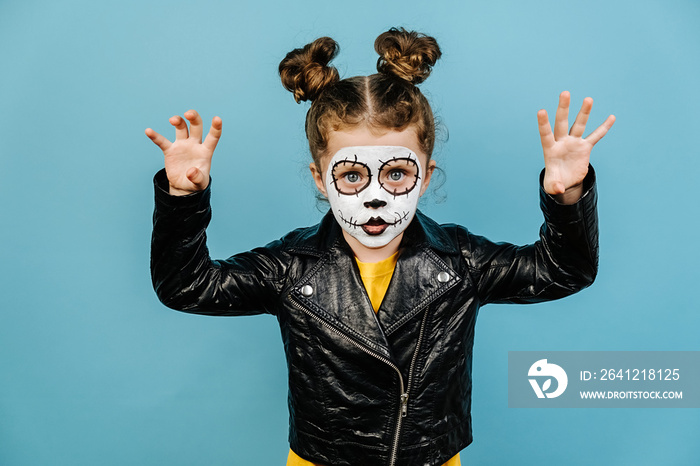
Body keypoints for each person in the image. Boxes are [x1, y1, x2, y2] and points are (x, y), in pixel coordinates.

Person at [145, 27, 614, 466]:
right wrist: (184, 200)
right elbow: (186, 286)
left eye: (396, 173)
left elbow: (564, 270)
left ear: (425, 177)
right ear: (321, 179)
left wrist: (567, 197)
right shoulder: (289, 268)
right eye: (352, 175)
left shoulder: (461, 261)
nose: (375, 194)